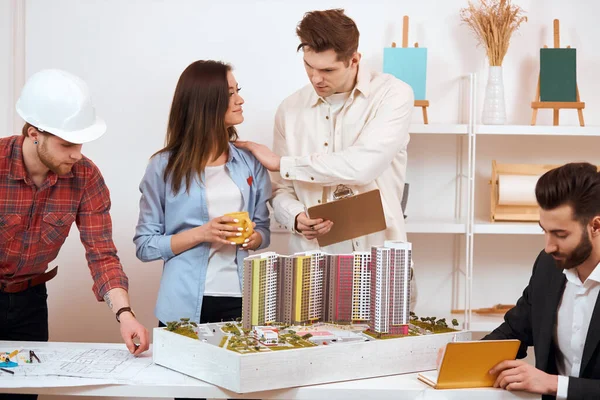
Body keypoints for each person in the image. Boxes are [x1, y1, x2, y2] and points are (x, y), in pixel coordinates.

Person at [234, 8, 416, 300]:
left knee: (390, 345)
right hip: (311, 265)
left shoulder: (394, 95)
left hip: (379, 262)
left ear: (354, 59)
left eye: (328, 70)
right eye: (309, 66)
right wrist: (295, 217)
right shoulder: (289, 109)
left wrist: (283, 163)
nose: (316, 78)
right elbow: (280, 188)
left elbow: (363, 165)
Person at [0, 69, 149, 400]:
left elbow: (102, 254)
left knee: (22, 392)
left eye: (80, 142)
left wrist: (125, 315)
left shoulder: (85, 177)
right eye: (67, 144)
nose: (77, 153)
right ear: (34, 133)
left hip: (29, 304)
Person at [442, 163, 600, 399]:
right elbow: (515, 330)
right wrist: (460, 358)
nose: (548, 246)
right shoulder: (549, 266)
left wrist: (554, 384)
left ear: (595, 226)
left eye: (560, 234)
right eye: (544, 231)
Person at [134, 60, 271, 331]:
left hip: (241, 300)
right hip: (181, 304)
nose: (240, 100)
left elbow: (263, 230)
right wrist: (203, 233)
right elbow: (145, 246)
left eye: (237, 90)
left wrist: (252, 238)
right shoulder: (163, 167)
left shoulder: (250, 162)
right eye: (230, 93)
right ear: (206, 102)